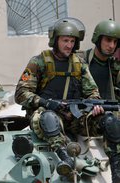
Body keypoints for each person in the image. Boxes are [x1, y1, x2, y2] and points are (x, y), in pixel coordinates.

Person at [14, 20, 104, 180]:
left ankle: (116, 168)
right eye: (65, 40)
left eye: (72, 41)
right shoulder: (38, 62)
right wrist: (45, 103)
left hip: (75, 117)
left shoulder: (79, 64)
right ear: (55, 40)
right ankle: (66, 158)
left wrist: (94, 105)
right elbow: (21, 93)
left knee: (109, 121)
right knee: (48, 117)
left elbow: (93, 92)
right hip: (47, 116)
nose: (69, 45)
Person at [81, 19, 120, 183]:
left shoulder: (115, 66)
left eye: (115, 42)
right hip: (85, 116)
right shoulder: (81, 61)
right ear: (98, 39)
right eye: (108, 40)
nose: (111, 45)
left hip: (110, 114)